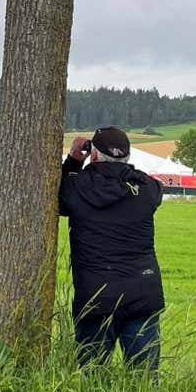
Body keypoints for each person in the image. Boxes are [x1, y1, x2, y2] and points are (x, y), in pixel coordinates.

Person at [59, 126, 165, 372]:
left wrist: (74, 161)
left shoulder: (77, 188)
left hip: (96, 297)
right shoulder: (145, 189)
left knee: (93, 378)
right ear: (127, 157)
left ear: (93, 155)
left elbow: (59, 199)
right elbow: (156, 189)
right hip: (142, 293)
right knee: (145, 382)